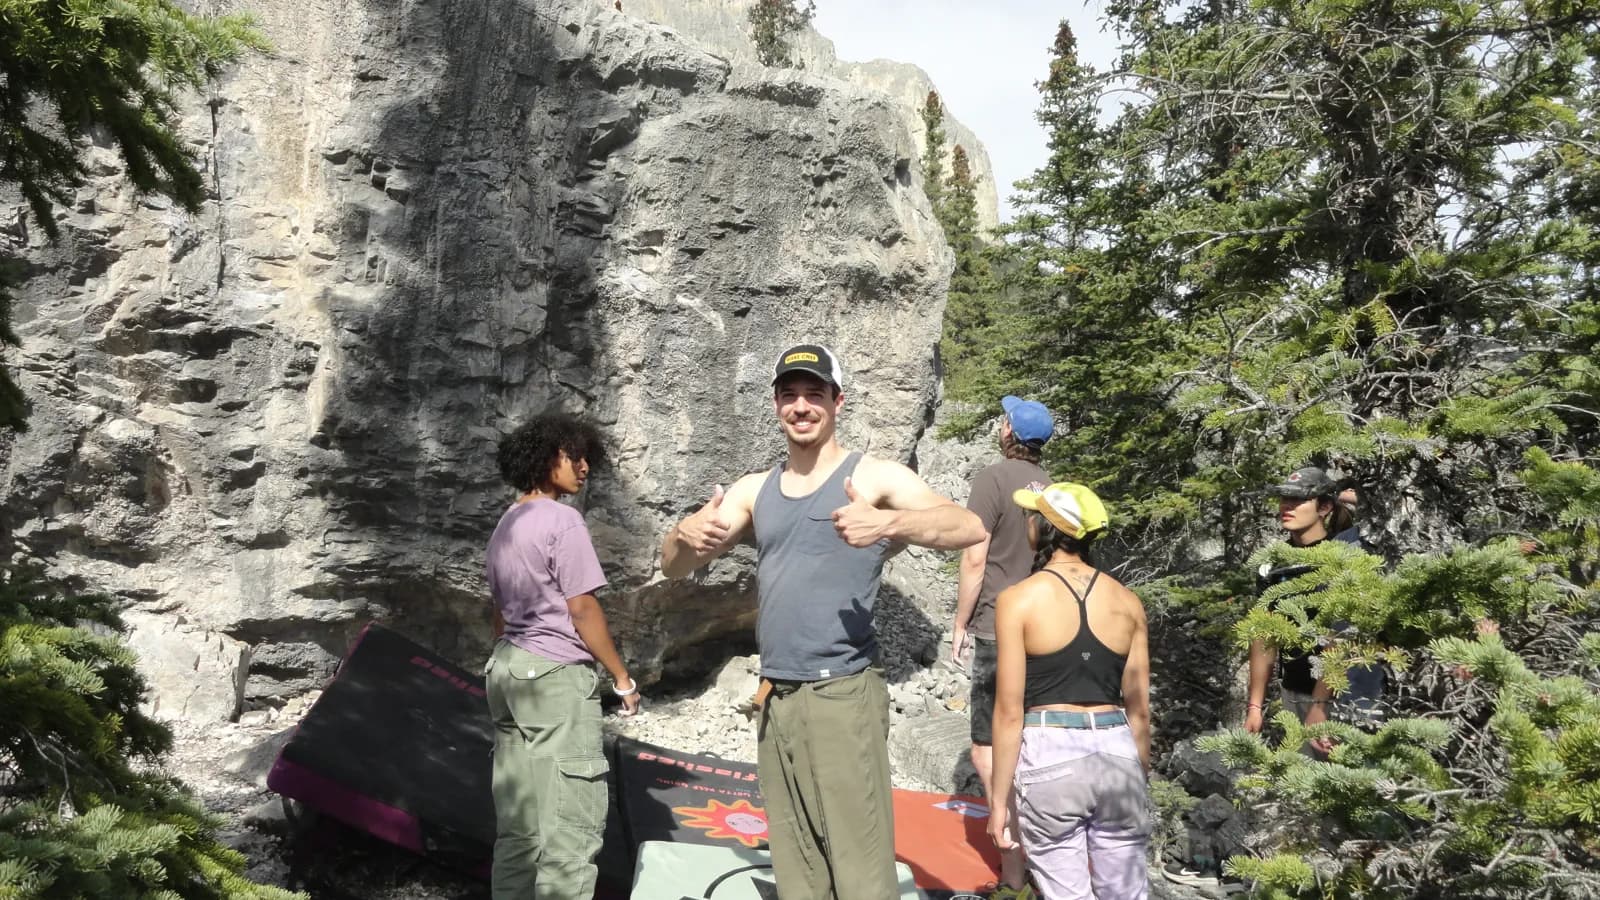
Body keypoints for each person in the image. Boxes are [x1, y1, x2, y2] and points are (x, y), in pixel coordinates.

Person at [660, 343, 986, 900]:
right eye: (790, 395)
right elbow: (674, 565)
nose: (801, 406)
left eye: (815, 394)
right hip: (775, 695)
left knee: (859, 869)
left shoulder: (873, 477)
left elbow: (967, 525)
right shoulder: (755, 488)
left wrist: (888, 523)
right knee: (796, 863)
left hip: (843, 693)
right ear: (775, 406)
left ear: (838, 401)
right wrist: (681, 536)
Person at [484, 414, 641, 900]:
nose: (585, 467)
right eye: (576, 456)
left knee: (519, 830)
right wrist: (620, 677)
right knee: (571, 828)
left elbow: (498, 614)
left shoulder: (507, 522)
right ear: (550, 456)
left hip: (508, 670)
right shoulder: (563, 520)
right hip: (553, 674)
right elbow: (582, 607)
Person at [988, 482, 1152, 900]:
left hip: (1052, 748)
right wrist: (1139, 774)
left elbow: (1009, 711)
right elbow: (1139, 710)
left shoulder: (1017, 600)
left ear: (1044, 527)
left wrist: (999, 802)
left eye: (1032, 514)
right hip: (1117, 748)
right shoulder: (1128, 601)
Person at [952, 395, 1054, 897]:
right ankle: (1048, 863)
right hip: (1043, 629)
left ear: (1008, 432)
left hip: (997, 626)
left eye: (1003, 419)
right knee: (1032, 740)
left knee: (988, 747)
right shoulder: (1054, 487)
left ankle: (1014, 872)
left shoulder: (992, 479)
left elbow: (975, 559)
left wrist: (960, 621)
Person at [1244, 465, 1382, 754]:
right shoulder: (1274, 565)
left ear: (1325, 508)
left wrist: (1321, 705)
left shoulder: (1347, 555)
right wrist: (1255, 705)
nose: (1287, 507)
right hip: (1293, 692)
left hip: (1346, 696)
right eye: (1284, 499)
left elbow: (1343, 636)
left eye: (1298, 500)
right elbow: (1263, 635)